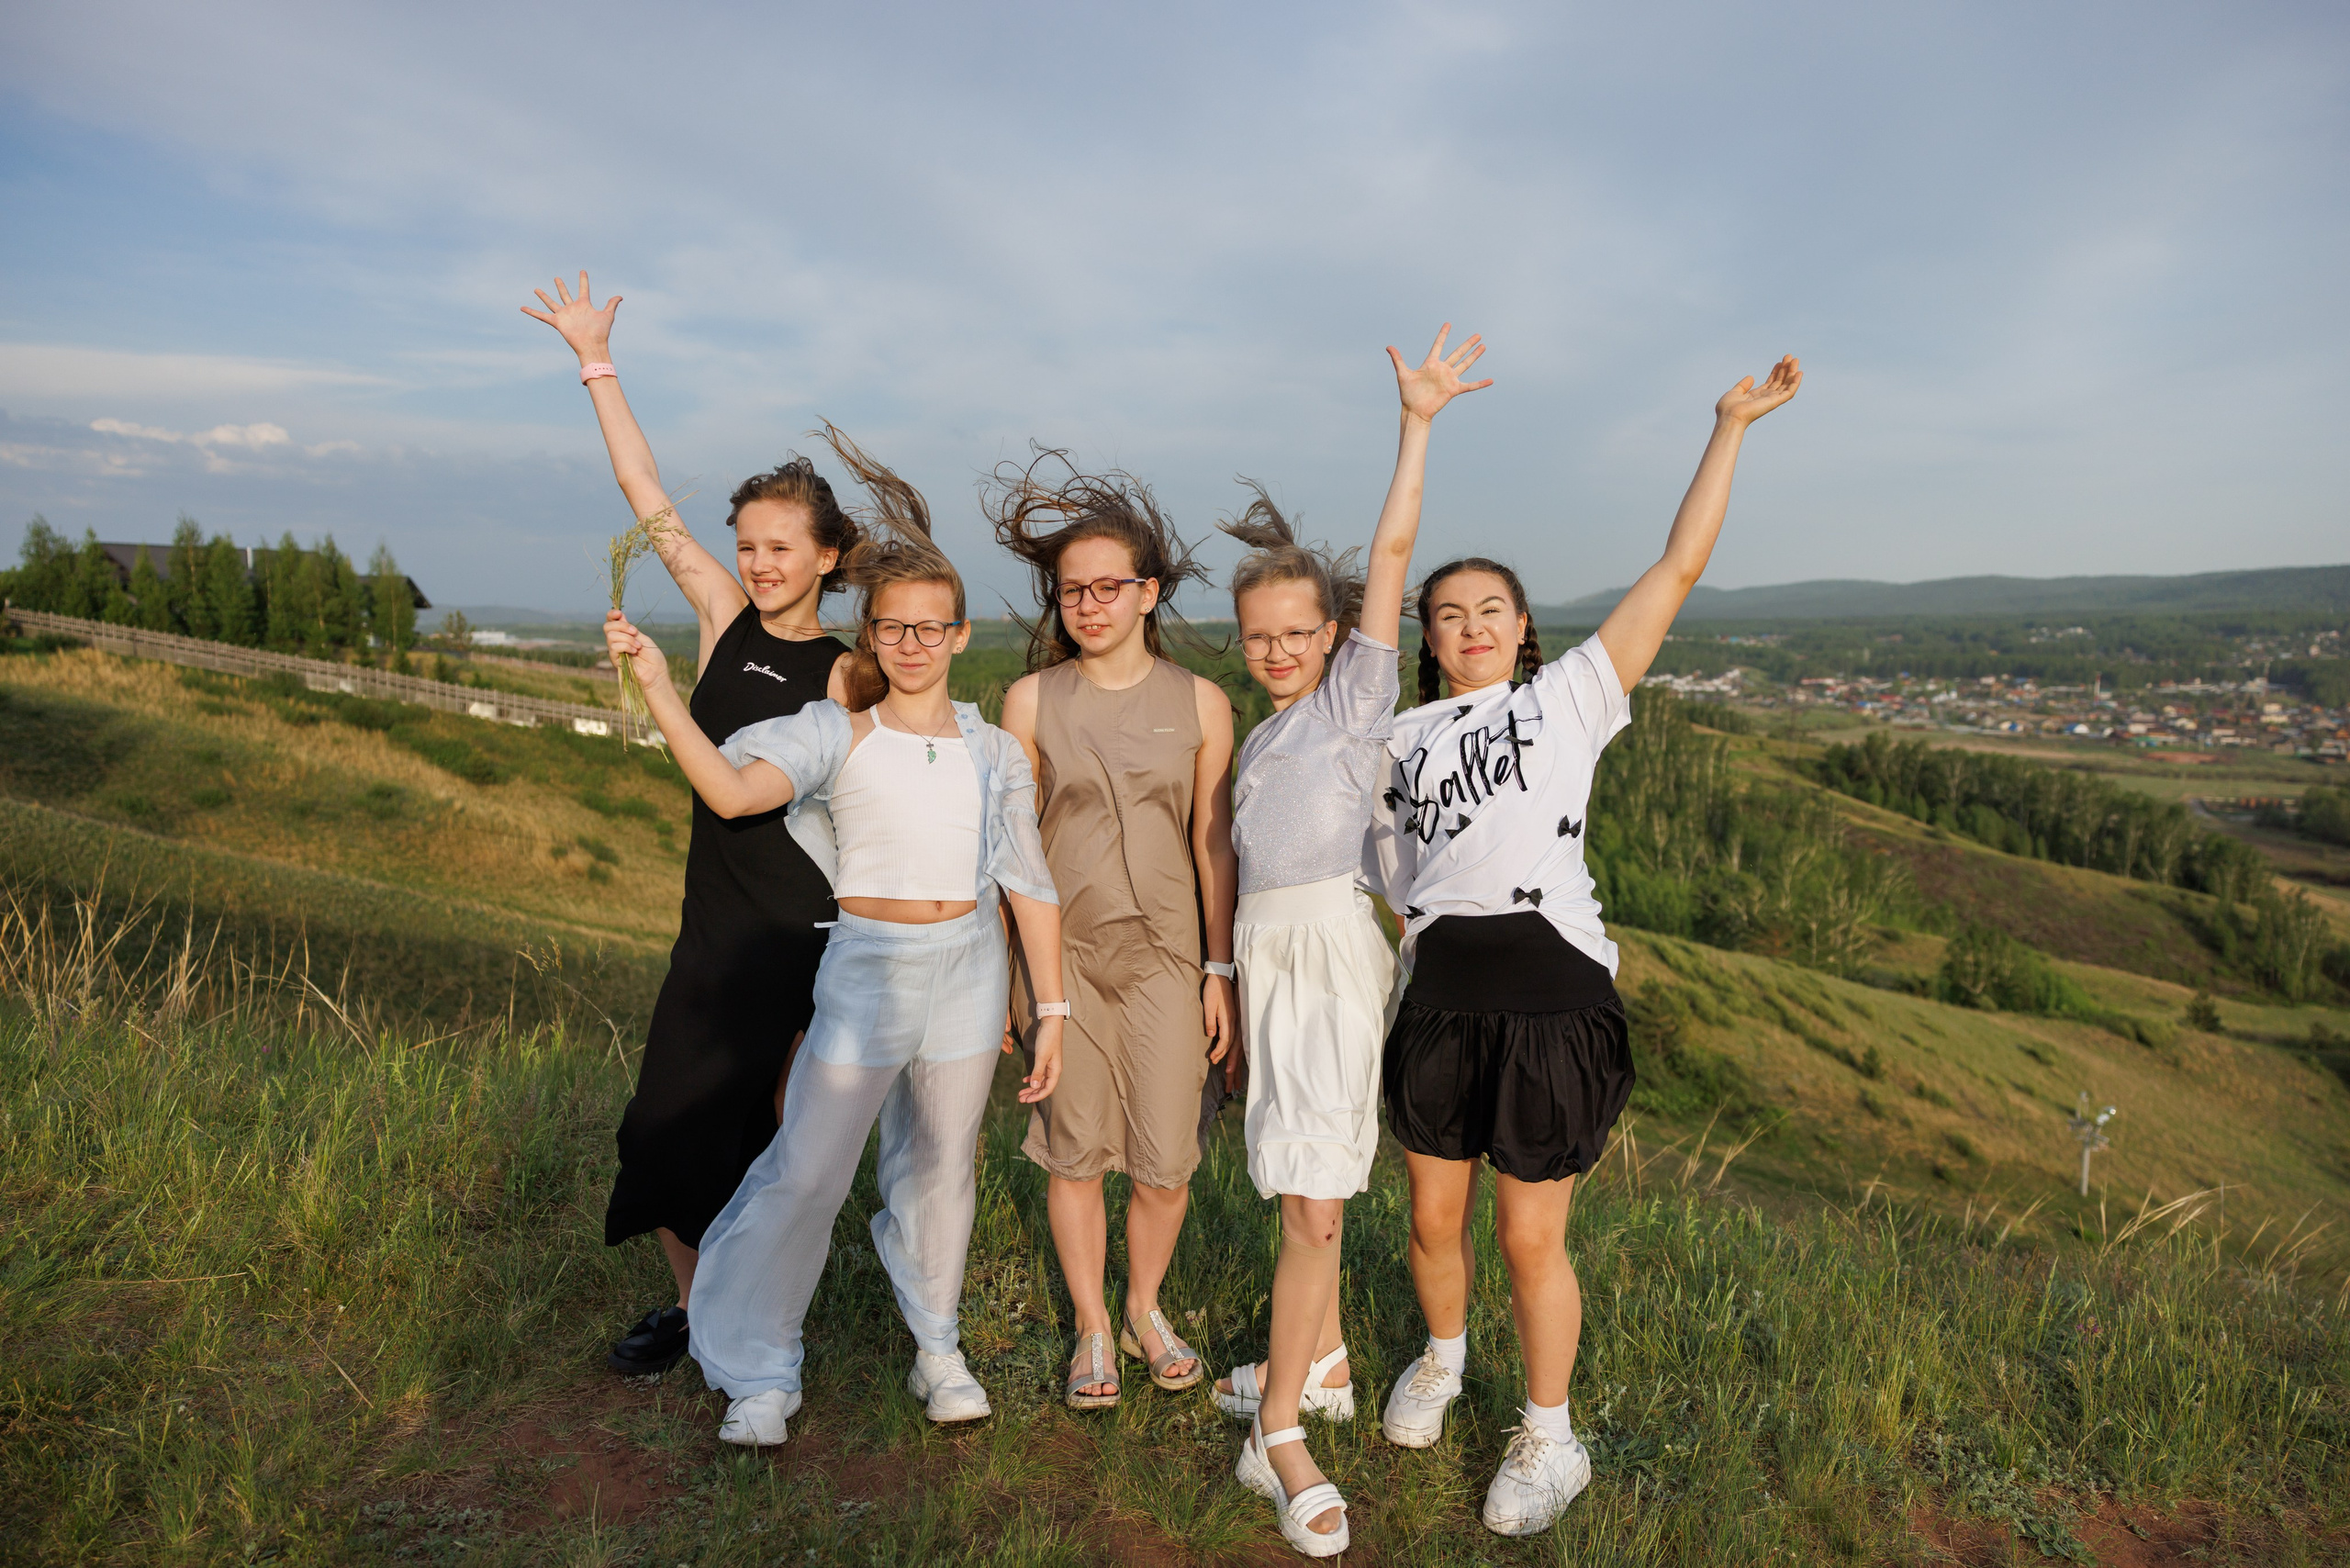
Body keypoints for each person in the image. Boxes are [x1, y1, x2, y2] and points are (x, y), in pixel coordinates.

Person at [1370, 355, 1801, 1536]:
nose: (1469, 626)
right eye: (1448, 615)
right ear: (1425, 635)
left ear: (1522, 628)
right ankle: (1445, 1363)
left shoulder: (1568, 697)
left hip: (1552, 992)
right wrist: (1414, 429)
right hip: (1441, 994)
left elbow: (1677, 567)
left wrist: (1726, 428)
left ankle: (1552, 1435)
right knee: (1428, 1219)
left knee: (1527, 1232)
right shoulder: (1393, 736)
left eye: (1490, 610)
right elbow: (1393, 883)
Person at [599, 429, 1068, 1448]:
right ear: (875, 634)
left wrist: (1053, 1009)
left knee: (942, 1167)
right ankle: (757, 1365)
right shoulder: (835, 726)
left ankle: (937, 1347)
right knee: (807, 1167)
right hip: (858, 963)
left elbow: (1027, 880)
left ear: (958, 633)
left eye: (929, 628)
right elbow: (727, 789)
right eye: (892, 628)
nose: (910, 644)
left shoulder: (993, 750)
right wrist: (657, 690)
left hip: (967, 971)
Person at [522, 273, 857, 1376]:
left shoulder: (852, 671)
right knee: (666, 1123)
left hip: (805, 932)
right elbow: (642, 486)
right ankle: (702, 1309)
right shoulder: (721, 618)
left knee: (774, 1144)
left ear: (828, 556)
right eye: (748, 545)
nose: (760, 564)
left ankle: (760, 1321)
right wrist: (593, 357)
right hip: (714, 922)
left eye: (782, 548)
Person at [1204, 326, 1492, 1556]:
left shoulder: (1350, 706)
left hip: (1330, 953)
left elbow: (1390, 555)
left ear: (1332, 637)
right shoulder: (1261, 741)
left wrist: (1417, 421)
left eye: (1299, 632)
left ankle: (1277, 1436)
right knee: (1299, 1179)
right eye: (1259, 634)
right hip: (1269, 964)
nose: (1280, 650)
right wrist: (1219, 973)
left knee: (1315, 1204)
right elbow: (1231, 867)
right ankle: (1314, 1359)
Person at [990, 457, 1237, 1409]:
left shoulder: (1200, 703)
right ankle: (1093, 1324)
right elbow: (1016, 853)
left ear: (1149, 592)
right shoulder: (1032, 702)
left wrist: (1221, 968)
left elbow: (1213, 843)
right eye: (1070, 590)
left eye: (1107, 587)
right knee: (1074, 1148)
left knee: (1167, 1153)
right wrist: (1023, 982)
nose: (1087, 605)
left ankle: (1145, 1306)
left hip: (1172, 958)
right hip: (1069, 962)